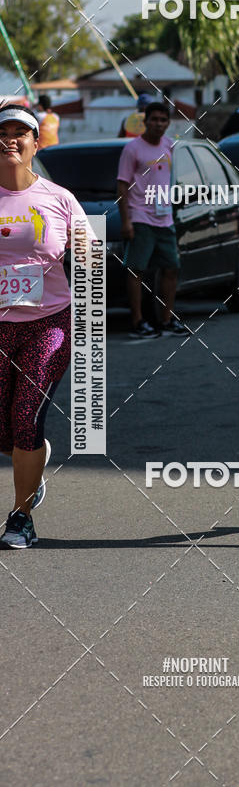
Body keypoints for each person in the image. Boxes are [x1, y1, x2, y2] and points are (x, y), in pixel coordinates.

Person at [0, 104, 86, 548]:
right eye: (3, 131)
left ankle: (21, 516)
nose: (11, 139)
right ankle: (30, 455)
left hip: (48, 322)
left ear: (37, 142)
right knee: (6, 431)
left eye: (21, 132)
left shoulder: (60, 199)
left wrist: (92, 329)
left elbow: (89, 261)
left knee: (25, 417)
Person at [116, 101, 187, 338]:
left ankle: (166, 320)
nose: (158, 124)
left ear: (168, 123)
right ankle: (138, 322)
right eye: (154, 119)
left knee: (171, 268)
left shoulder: (170, 146)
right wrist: (126, 221)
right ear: (145, 121)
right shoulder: (133, 148)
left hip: (164, 217)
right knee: (136, 269)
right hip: (140, 215)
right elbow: (122, 185)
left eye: (163, 120)